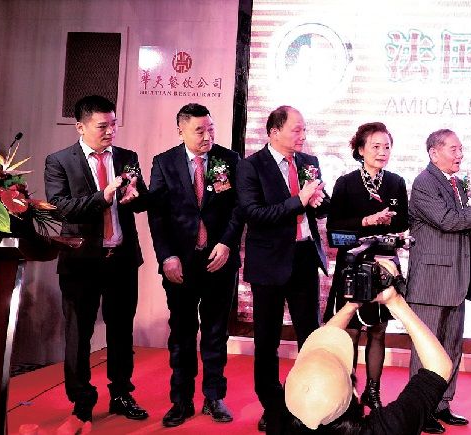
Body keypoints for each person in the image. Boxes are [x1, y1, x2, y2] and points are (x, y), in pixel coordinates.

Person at [43, 94, 149, 423]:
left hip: (121, 259)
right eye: (103, 126)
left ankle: (121, 394)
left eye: (114, 124)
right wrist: (102, 197)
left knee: (121, 331)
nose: (110, 131)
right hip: (81, 262)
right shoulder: (60, 161)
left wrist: (135, 197)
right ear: (80, 127)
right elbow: (61, 207)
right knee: (79, 333)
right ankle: (82, 400)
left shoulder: (127, 157)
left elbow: (142, 200)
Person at [406, 129, 471, 434]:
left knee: (451, 347)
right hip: (430, 282)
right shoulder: (424, 183)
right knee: (426, 351)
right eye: (453, 149)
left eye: (461, 149)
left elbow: (465, 221)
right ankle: (420, 411)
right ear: (434, 153)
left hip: (455, 279)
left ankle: (441, 404)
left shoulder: (454, 182)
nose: (460, 155)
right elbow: (449, 220)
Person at [147, 103, 243, 426]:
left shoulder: (229, 160)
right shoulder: (164, 163)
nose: (207, 136)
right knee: (182, 332)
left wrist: (227, 243)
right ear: (181, 131)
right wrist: (167, 256)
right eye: (199, 130)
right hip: (181, 264)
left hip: (219, 261)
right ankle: (181, 400)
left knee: (216, 333)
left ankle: (214, 397)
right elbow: (157, 215)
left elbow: (239, 209)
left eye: (210, 129)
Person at [237, 105, 330, 432]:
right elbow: (253, 214)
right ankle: (272, 406)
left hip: (304, 257)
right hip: (269, 263)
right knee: (267, 340)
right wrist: (298, 201)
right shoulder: (251, 166)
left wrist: (319, 201)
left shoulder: (308, 162)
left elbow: (323, 207)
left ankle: (308, 401)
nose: (302, 135)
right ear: (274, 132)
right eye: (296, 129)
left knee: (311, 337)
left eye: (304, 129)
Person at [282, 259, 454, 435]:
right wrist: (396, 302)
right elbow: (440, 369)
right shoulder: (386, 428)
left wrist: (352, 304)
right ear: (354, 394)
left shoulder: (280, 425)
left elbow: (321, 340)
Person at [322, 122, 408, 413]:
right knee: (351, 331)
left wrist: (391, 225)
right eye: (376, 146)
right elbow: (334, 230)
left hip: (383, 265)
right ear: (360, 149)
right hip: (352, 265)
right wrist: (367, 222)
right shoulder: (346, 183)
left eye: (387, 147)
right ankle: (347, 391)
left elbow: (403, 222)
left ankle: (373, 392)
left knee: (378, 330)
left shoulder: (396, 182)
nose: (382, 152)